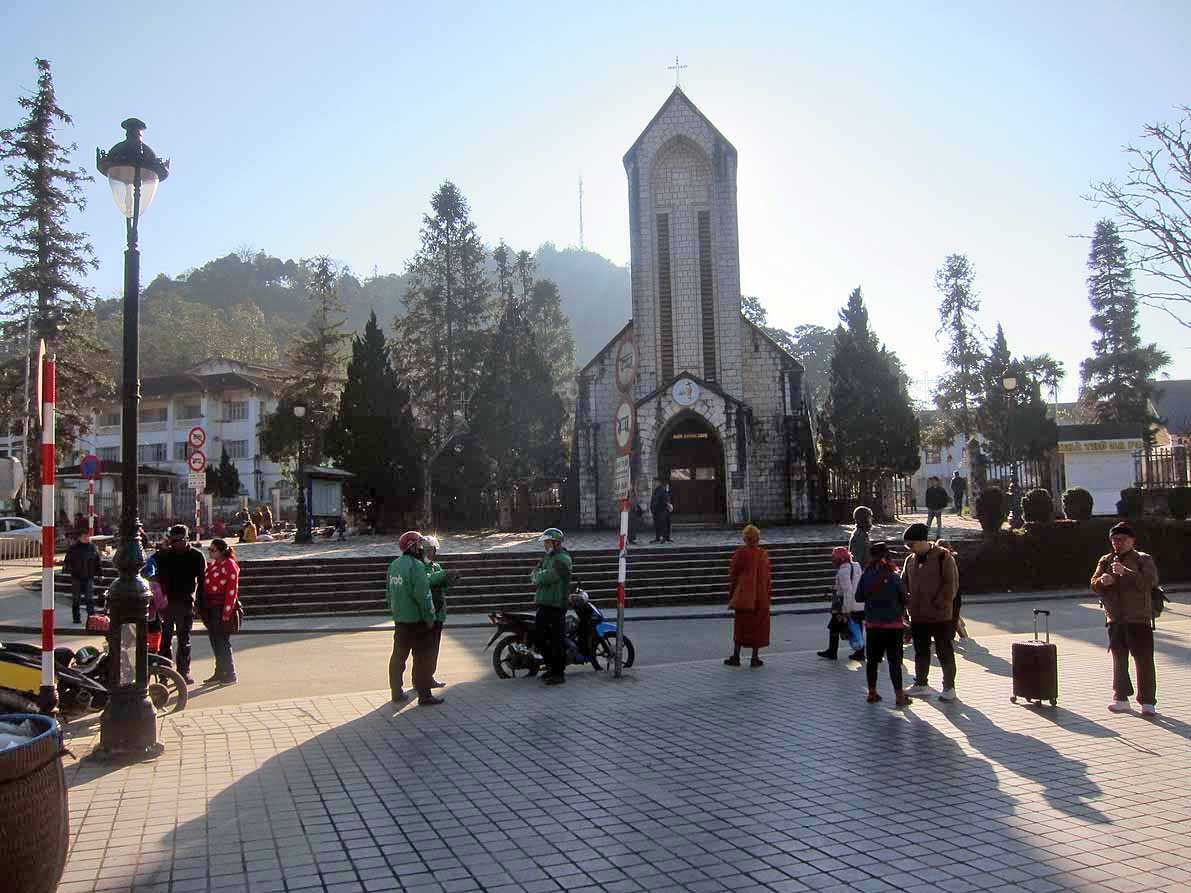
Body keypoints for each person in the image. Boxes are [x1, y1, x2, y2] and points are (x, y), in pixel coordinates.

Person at [1091, 522, 1160, 716]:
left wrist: (1126, 572)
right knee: (1119, 659)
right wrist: (1102, 581)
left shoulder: (1143, 559)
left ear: (1132, 541)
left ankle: (1148, 702)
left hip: (1139, 618)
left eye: (1122, 539)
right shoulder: (1106, 560)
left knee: (1144, 660)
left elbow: (1150, 582)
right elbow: (1093, 583)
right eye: (1114, 540)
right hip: (1115, 618)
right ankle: (1121, 698)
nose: (1117, 543)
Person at [902, 523, 960, 702]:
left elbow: (951, 585)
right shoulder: (910, 560)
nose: (909, 548)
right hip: (918, 615)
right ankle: (921, 684)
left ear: (922, 541)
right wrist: (906, 603)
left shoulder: (943, 557)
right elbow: (903, 583)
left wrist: (940, 603)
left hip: (940, 616)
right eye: (907, 545)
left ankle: (949, 687)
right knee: (921, 651)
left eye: (911, 544)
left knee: (944, 651)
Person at [387, 531, 442, 705]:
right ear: (411, 547)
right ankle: (424, 695)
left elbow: (389, 594)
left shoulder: (394, 565)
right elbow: (424, 596)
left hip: (400, 621)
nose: (421, 548)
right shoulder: (416, 567)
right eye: (419, 545)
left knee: (398, 658)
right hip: (417, 621)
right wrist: (430, 616)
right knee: (422, 658)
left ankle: (396, 692)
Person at [855, 541, 912, 706]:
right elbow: (905, 598)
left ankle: (872, 693)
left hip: (873, 625)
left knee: (872, 661)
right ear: (887, 556)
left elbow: (859, 597)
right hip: (893, 626)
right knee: (895, 662)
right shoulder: (893, 576)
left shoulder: (866, 575)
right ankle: (899, 696)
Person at [152, 524, 207, 685]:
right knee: (165, 640)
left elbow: (202, 582)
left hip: (185, 602)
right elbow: (147, 568)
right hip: (166, 603)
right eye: (173, 541)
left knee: (184, 640)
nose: (175, 544)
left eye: (179, 540)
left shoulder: (196, 556)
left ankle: (183, 672)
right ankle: (164, 673)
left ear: (186, 539)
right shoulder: (163, 555)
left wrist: (199, 602)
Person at [725, 524, 773, 668]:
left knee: (741, 626)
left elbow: (733, 574)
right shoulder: (762, 554)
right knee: (757, 626)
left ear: (745, 538)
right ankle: (754, 657)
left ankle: (736, 656)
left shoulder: (740, 554)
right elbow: (767, 577)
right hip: (760, 596)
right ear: (758, 538)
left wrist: (732, 593)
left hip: (744, 595)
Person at [532, 528, 573, 685]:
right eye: (545, 542)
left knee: (557, 640)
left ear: (556, 543)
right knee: (540, 638)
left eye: (547, 542)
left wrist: (539, 576)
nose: (545, 545)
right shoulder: (548, 557)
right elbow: (535, 572)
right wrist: (539, 575)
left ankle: (558, 673)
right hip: (544, 603)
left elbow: (548, 577)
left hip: (556, 605)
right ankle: (550, 667)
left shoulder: (563, 559)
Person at [201, 538, 240, 685]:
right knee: (215, 641)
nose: (210, 552)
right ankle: (219, 671)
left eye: (213, 550)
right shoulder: (214, 564)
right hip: (211, 607)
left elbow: (232, 590)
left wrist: (227, 612)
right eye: (209, 550)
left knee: (222, 642)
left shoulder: (229, 565)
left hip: (221, 607)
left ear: (222, 551)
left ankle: (230, 673)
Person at [818, 546, 865, 662]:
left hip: (847, 605)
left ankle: (832, 652)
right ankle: (860, 653)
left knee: (834, 627)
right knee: (857, 628)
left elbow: (847, 591)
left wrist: (845, 611)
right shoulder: (856, 566)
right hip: (859, 604)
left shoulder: (843, 571)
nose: (833, 560)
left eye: (834, 558)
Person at [421, 535, 451, 689]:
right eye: (427, 550)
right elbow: (427, 581)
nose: (430, 553)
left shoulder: (436, 566)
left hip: (439, 612)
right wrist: (443, 575)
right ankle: (421, 679)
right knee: (424, 650)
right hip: (427, 615)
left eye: (432, 550)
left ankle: (430, 676)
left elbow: (442, 585)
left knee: (434, 649)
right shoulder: (419, 567)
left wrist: (449, 580)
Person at [64, 528, 101, 624]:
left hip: (89, 576)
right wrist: (71, 570)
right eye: (84, 537)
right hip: (77, 576)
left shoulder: (92, 548)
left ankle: (91, 618)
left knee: (90, 598)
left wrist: (100, 573)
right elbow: (67, 562)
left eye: (88, 536)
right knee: (76, 599)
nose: (87, 538)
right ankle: (76, 618)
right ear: (80, 538)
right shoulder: (73, 548)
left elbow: (97, 562)